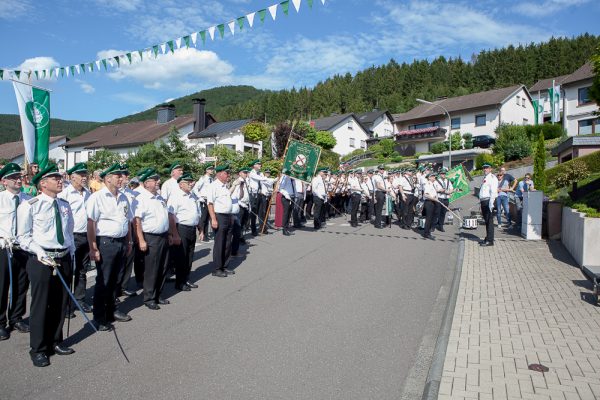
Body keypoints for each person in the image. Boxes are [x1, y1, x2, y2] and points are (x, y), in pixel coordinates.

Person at [17, 164, 75, 367]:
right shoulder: (31, 205)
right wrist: (40, 252)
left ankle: (55, 340)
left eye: (60, 178)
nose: (60, 181)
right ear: (42, 183)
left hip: (63, 257)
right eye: (54, 178)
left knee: (60, 302)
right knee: (41, 304)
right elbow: (23, 237)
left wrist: (72, 251)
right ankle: (38, 348)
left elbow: (69, 231)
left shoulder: (64, 205)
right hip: (41, 260)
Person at [86, 163, 133, 331]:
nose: (121, 178)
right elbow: (91, 223)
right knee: (104, 280)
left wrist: (129, 241)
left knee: (116, 279)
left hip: (121, 242)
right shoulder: (97, 197)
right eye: (117, 176)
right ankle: (99, 316)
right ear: (107, 178)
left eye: (122, 176)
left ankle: (112, 309)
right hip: (106, 242)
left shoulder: (124, 197)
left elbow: (127, 221)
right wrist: (93, 247)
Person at [134, 168, 180, 310]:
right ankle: (149, 297)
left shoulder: (160, 198)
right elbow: (137, 221)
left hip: (164, 236)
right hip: (150, 237)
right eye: (155, 180)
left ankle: (159, 294)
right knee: (152, 268)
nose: (158, 182)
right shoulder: (141, 199)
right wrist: (141, 240)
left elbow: (167, 217)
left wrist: (171, 234)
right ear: (147, 183)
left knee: (163, 266)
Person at [0, 163, 31, 341]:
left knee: (21, 285)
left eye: (19, 177)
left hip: (23, 247)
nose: (18, 180)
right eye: (13, 177)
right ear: (4, 181)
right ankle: (0, 322)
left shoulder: (29, 199)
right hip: (4, 247)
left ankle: (16, 317)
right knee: (2, 286)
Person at [57, 163, 92, 316]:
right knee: (68, 270)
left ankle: (79, 298)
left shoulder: (88, 193)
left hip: (86, 235)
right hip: (72, 236)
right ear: (72, 177)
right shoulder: (64, 194)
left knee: (82, 269)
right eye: (81, 175)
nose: (84, 177)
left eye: (85, 174)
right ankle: (65, 304)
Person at [167, 173, 200, 292]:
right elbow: (171, 216)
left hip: (191, 228)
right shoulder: (175, 196)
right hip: (181, 228)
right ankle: (179, 282)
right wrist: (174, 234)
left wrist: (200, 228)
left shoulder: (192, 195)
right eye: (188, 182)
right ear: (181, 184)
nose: (191, 184)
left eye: (191, 182)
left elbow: (196, 212)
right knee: (182, 256)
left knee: (190, 256)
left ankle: (186, 278)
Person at [206, 164, 234, 278]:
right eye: (226, 173)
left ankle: (225, 266)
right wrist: (213, 218)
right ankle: (217, 268)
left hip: (228, 216)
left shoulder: (225, 186)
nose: (228, 175)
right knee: (220, 243)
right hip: (219, 216)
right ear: (219, 174)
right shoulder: (213, 186)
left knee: (227, 242)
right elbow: (210, 203)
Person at [248, 160, 275, 236]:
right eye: (258, 164)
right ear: (254, 165)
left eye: (260, 164)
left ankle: (262, 229)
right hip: (254, 195)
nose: (260, 165)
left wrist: (275, 180)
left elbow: (266, 182)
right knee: (253, 213)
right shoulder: (252, 173)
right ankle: (253, 230)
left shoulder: (261, 174)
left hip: (260, 194)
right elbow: (262, 179)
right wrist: (273, 180)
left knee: (261, 213)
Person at [230, 167, 250, 257]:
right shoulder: (238, 182)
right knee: (236, 230)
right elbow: (234, 196)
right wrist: (240, 204)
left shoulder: (246, 182)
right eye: (244, 172)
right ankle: (234, 251)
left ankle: (238, 244)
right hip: (239, 207)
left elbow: (246, 194)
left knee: (242, 226)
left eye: (246, 172)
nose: (246, 174)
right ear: (240, 173)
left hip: (245, 205)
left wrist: (248, 205)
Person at [192, 164, 215, 242]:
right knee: (204, 218)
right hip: (204, 200)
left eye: (212, 169)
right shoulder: (203, 179)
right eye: (210, 169)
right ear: (206, 170)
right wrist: (200, 197)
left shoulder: (211, 179)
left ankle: (206, 234)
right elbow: (195, 188)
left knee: (208, 217)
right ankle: (202, 234)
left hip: (209, 200)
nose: (212, 170)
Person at [479, 164, 498, 247]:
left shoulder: (492, 178)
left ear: (490, 169)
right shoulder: (486, 178)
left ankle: (490, 240)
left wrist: (491, 203)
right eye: (484, 168)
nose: (485, 169)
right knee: (486, 221)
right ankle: (488, 238)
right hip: (484, 201)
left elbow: (493, 191)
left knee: (489, 221)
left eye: (487, 168)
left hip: (488, 201)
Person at [433, 168, 454, 232]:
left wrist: (450, 192)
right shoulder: (436, 181)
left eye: (444, 173)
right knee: (437, 213)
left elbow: (451, 189)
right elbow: (434, 190)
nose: (443, 175)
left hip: (446, 199)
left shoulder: (448, 181)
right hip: (439, 198)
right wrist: (440, 190)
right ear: (440, 174)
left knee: (443, 213)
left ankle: (441, 225)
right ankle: (433, 226)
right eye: (442, 173)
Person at [422, 172, 439, 239]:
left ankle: (428, 232)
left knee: (431, 218)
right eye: (433, 176)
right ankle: (426, 233)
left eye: (434, 176)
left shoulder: (432, 184)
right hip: (429, 202)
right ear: (429, 177)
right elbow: (426, 194)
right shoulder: (427, 184)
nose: (434, 177)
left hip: (433, 202)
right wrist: (434, 199)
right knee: (429, 219)